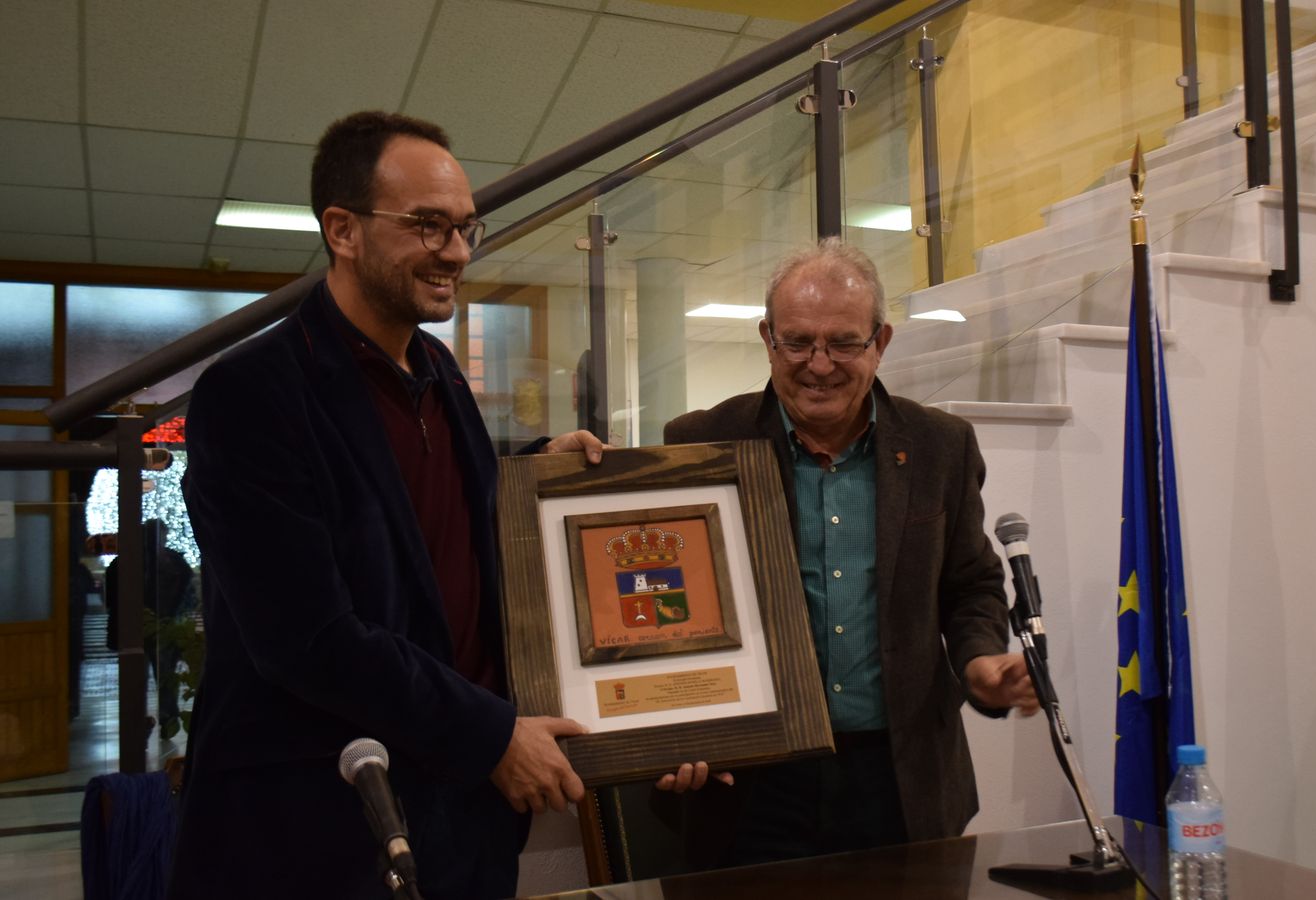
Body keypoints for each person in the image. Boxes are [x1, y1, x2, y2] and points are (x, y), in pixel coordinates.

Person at [169, 111, 604, 900]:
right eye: (429, 226)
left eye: (467, 227)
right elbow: (307, 639)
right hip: (325, 830)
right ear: (343, 229)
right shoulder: (251, 394)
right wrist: (492, 734)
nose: (458, 252)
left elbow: (422, 513)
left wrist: (537, 473)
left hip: (464, 814)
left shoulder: (437, 367)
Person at [660, 238, 1039, 866]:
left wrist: (979, 661)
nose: (819, 363)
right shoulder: (702, 441)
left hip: (900, 776)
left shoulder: (941, 446)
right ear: (767, 339)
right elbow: (669, 593)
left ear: (881, 342)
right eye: (798, 341)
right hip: (750, 778)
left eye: (843, 343)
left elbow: (970, 583)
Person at [105, 519, 195, 735]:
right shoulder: (174, 563)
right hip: (163, 630)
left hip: (141, 631)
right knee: (163, 679)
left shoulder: (125, 562)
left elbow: (111, 598)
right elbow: (188, 596)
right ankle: (167, 720)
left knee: (140, 681)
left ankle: (142, 723)